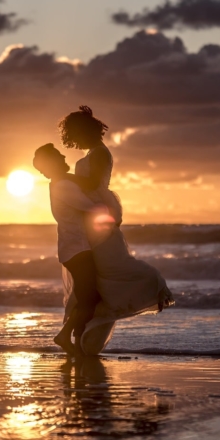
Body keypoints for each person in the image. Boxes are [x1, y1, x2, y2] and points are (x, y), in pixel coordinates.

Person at [56, 105, 175, 355]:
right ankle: (82, 340)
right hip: (90, 215)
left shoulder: (99, 153)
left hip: (98, 213)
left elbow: (90, 183)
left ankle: (155, 285)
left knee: (110, 268)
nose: (73, 139)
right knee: (94, 280)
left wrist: (62, 177)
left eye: (75, 132)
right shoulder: (93, 153)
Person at [33, 143, 109, 355]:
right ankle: (66, 336)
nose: (63, 155)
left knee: (85, 297)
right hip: (77, 249)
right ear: (53, 162)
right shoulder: (63, 186)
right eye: (58, 155)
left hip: (74, 248)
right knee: (90, 298)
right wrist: (110, 211)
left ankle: (75, 342)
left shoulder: (61, 183)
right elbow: (90, 207)